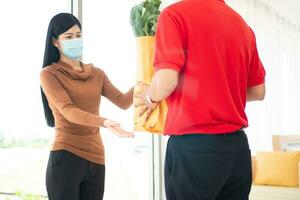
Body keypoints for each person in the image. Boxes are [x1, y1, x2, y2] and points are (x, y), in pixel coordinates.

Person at [135, 0, 266, 199]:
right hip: (237, 150)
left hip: (195, 148)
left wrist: (149, 97)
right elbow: (258, 91)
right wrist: (222, 92)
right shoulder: (242, 25)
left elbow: (166, 82)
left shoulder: (174, 15)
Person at [40, 13, 134, 200]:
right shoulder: (50, 74)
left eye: (78, 35)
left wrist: (142, 82)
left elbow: (123, 101)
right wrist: (104, 122)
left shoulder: (97, 74)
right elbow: (68, 111)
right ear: (55, 42)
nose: (74, 40)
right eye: (68, 37)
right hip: (66, 155)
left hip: (96, 157)